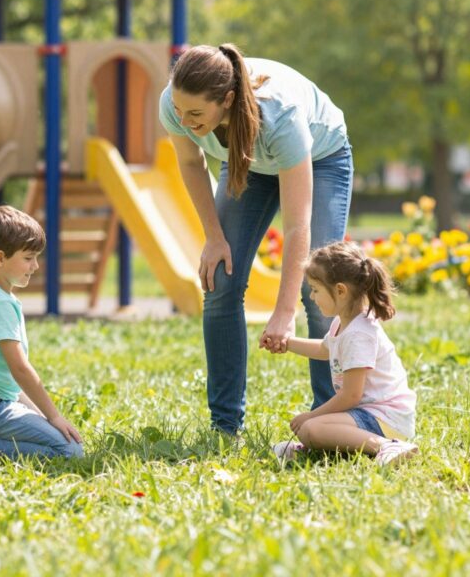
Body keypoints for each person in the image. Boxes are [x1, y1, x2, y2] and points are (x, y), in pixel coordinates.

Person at [160, 43, 353, 434]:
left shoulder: (280, 115)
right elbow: (189, 162)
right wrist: (214, 237)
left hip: (322, 158)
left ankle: (330, 419)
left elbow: (298, 226)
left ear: (227, 100)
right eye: (180, 112)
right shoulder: (176, 104)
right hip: (249, 160)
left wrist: (284, 311)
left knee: (322, 291)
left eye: (196, 114)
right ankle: (225, 425)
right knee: (221, 279)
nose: (185, 121)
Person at [0, 206, 83, 465]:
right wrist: (53, 416)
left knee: (62, 442)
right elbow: (19, 368)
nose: (36, 266)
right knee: (70, 451)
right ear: (0, 259)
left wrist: (36, 413)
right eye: (29, 258)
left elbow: (7, 377)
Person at [271, 241, 417, 466]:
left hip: (386, 418)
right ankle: (312, 447)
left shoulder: (360, 334)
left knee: (312, 427)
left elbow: (351, 395)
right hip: (367, 414)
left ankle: (388, 446)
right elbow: (324, 349)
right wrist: (287, 343)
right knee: (313, 429)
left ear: (340, 290)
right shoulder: (343, 324)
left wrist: (312, 415)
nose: (312, 297)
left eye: (316, 290)